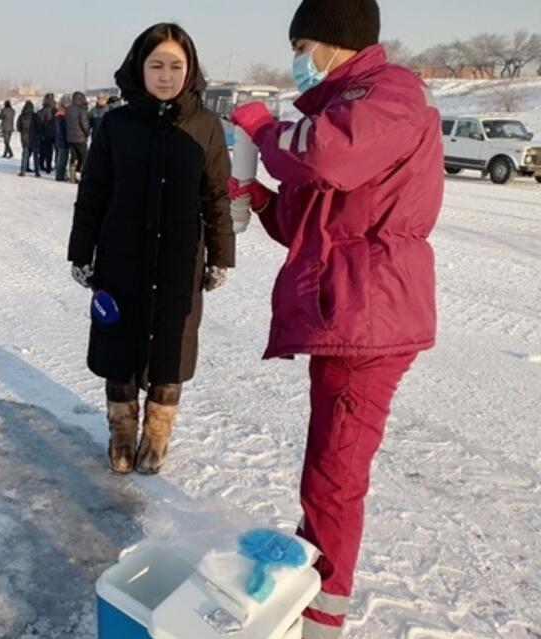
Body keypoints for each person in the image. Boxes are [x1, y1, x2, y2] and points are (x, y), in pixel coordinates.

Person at [228, 1, 443, 636]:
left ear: (333, 41)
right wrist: (258, 197)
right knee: (327, 466)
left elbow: (326, 158)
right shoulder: (340, 106)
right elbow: (305, 223)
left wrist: (265, 130)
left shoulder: (390, 95)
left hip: (370, 313)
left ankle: (323, 615)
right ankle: (315, 574)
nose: (297, 59)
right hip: (347, 310)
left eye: (301, 45)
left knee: (334, 475)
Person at [67, 23, 235, 475]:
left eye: (175, 66)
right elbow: (94, 192)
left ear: (190, 70)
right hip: (121, 253)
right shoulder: (116, 125)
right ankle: (122, 434)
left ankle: (157, 437)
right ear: (138, 69)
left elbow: (217, 195)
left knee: (170, 348)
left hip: (179, 259)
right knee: (118, 343)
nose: (165, 76)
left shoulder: (206, 125)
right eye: (156, 65)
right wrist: (81, 251)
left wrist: (220, 256)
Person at [64, 91, 90, 179]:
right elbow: (84, 124)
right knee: (84, 157)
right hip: (80, 138)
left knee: (73, 157)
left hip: (70, 138)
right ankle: (84, 175)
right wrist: (87, 133)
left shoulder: (68, 109)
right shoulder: (81, 110)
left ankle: (72, 176)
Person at [16, 100, 42, 177]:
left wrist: (23, 132)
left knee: (25, 155)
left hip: (25, 139)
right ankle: (37, 172)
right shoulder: (35, 116)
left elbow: (18, 128)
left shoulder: (21, 116)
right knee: (35, 156)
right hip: (35, 139)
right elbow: (39, 127)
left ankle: (22, 171)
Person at [38, 93, 57, 173]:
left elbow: (40, 122)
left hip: (45, 133)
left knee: (43, 150)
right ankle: (49, 167)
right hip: (54, 133)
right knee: (51, 151)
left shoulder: (43, 110)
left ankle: (41, 164)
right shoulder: (55, 110)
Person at [54, 101, 69, 182]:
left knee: (60, 157)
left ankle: (60, 174)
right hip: (63, 140)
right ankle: (60, 176)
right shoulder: (61, 117)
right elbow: (63, 129)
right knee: (62, 158)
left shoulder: (57, 116)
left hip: (59, 139)